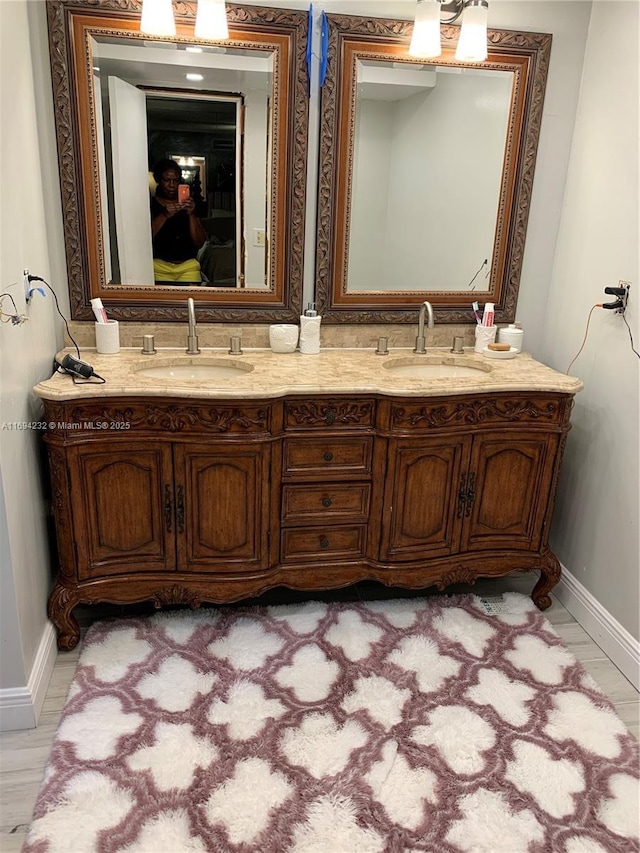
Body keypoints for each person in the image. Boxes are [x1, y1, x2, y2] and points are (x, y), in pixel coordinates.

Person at [150, 159, 207, 285]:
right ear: (158, 180)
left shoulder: (189, 205)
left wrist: (192, 214)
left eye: (175, 181)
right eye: (167, 180)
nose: (172, 185)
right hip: (158, 267)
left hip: (188, 267)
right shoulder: (151, 204)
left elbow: (200, 242)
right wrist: (164, 215)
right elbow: (145, 238)